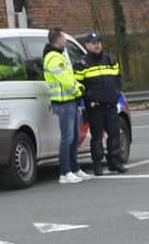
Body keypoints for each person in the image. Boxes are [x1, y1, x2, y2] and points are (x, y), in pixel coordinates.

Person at [75, 32, 124, 175]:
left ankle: (115, 163)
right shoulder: (82, 64)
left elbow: (118, 79)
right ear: (87, 45)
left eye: (98, 42)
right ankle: (98, 165)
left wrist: (116, 93)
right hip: (95, 107)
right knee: (97, 138)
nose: (97, 45)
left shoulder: (110, 59)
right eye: (93, 42)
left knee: (114, 135)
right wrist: (88, 98)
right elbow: (78, 84)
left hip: (110, 105)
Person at [42, 29, 87, 183]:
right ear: (57, 39)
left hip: (69, 100)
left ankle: (75, 169)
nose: (66, 40)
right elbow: (64, 79)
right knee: (67, 138)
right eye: (64, 37)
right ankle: (65, 172)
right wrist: (77, 90)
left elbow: (69, 76)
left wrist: (77, 86)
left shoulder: (59, 55)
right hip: (63, 101)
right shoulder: (53, 57)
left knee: (74, 137)